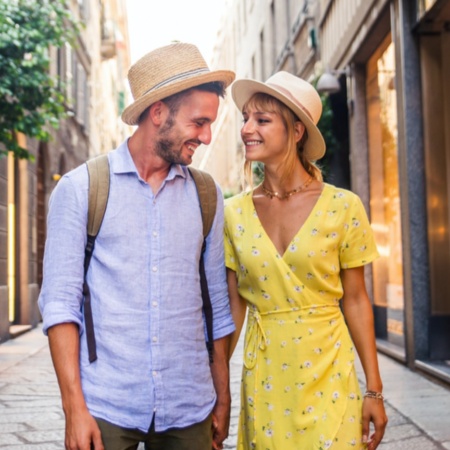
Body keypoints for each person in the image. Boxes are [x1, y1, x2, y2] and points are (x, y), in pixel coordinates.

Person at [38, 42, 236, 450]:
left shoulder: (208, 196)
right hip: (107, 405)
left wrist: (223, 396)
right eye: (199, 122)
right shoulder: (81, 190)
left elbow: (217, 304)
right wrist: (74, 407)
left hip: (190, 405)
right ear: (158, 112)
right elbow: (60, 303)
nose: (207, 136)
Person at [224, 71, 388, 450]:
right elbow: (233, 307)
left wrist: (374, 391)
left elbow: (357, 300)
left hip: (330, 372)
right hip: (264, 379)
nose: (247, 128)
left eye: (262, 120)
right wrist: (216, 393)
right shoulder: (233, 214)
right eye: (245, 118)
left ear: (296, 131)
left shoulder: (343, 206)